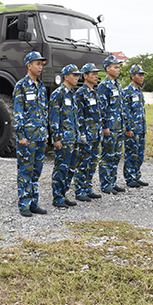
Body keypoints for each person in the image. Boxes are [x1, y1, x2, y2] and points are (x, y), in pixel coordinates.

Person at [13, 50, 49, 217]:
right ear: (29, 65)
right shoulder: (21, 86)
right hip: (27, 138)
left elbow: (44, 112)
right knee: (25, 172)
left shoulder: (41, 87)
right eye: (37, 63)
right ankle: (24, 204)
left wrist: (46, 133)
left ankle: (34, 203)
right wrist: (21, 136)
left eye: (41, 64)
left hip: (40, 136)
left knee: (36, 172)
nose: (40, 66)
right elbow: (18, 113)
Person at [49, 64, 83, 208]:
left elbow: (75, 117)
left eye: (78, 75)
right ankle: (57, 197)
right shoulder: (58, 94)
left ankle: (63, 194)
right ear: (66, 77)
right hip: (63, 139)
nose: (77, 78)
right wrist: (56, 138)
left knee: (70, 169)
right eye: (74, 75)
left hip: (73, 139)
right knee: (61, 169)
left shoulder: (72, 94)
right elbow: (54, 118)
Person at [97, 54, 132, 194]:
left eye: (118, 67)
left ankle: (113, 181)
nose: (118, 70)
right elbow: (102, 108)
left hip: (118, 127)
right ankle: (105, 184)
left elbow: (121, 107)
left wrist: (125, 125)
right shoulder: (103, 86)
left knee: (117, 156)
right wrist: (105, 126)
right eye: (115, 67)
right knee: (107, 156)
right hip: (110, 128)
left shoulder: (118, 85)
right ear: (107, 68)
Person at [74, 62, 103, 202]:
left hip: (95, 134)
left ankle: (88, 188)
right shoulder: (80, 93)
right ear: (85, 76)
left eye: (97, 73)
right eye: (93, 74)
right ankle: (80, 190)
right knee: (83, 163)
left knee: (92, 163)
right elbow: (79, 116)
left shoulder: (94, 92)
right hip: (87, 134)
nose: (96, 76)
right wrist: (82, 133)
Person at [123, 64, 148, 188]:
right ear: (132, 76)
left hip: (141, 128)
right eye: (139, 75)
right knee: (131, 154)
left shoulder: (139, 91)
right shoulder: (127, 91)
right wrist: (128, 128)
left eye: (143, 75)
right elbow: (126, 111)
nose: (142, 77)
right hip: (132, 129)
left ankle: (136, 176)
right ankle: (129, 178)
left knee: (139, 154)